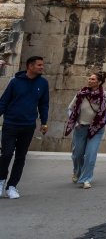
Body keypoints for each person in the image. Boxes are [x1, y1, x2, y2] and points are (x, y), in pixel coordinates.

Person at [0, 56, 49, 199]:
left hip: (28, 126)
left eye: (42, 64)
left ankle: (12, 186)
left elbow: (44, 104)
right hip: (11, 124)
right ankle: (1, 180)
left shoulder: (43, 83)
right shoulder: (15, 82)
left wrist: (44, 122)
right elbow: (3, 102)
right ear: (30, 66)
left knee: (21, 157)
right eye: (39, 65)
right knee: (6, 154)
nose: (42, 67)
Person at [65, 71, 106, 189]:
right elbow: (71, 108)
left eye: (93, 79)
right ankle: (77, 172)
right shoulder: (81, 93)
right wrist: (74, 122)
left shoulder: (105, 95)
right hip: (80, 127)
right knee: (77, 154)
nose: (90, 81)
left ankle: (86, 179)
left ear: (99, 82)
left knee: (90, 154)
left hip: (96, 129)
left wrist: (103, 121)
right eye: (89, 79)